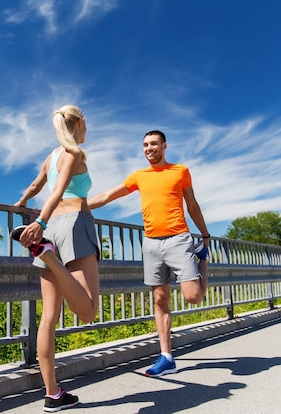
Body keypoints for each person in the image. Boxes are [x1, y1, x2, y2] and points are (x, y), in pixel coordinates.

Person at [88, 129, 210, 378]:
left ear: (164, 146)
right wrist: (68, 205)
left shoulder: (181, 171)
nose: (149, 148)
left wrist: (205, 235)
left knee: (193, 297)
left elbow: (192, 204)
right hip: (151, 243)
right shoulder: (139, 176)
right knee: (160, 300)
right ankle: (166, 357)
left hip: (178, 239)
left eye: (154, 144)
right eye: (145, 145)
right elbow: (107, 196)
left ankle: (202, 258)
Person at [12, 104, 100, 412]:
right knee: (87, 312)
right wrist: (40, 223)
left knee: (48, 317)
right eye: (86, 122)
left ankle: (53, 393)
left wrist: (22, 202)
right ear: (78, 123)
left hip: (51, 231)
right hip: (73, 224)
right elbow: (58, 190)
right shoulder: (73, 153)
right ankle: (50, 257)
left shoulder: (51, 156)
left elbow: (38, 186)